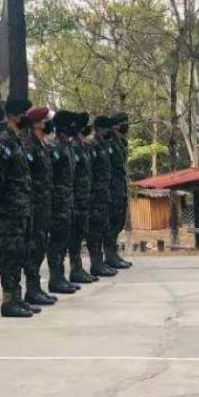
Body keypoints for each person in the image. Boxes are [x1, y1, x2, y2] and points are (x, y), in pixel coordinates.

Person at [0, 98, 34, 318]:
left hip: (21, 210)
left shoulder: (17, 141)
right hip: (10, 212)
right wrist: (6, 204)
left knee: (19, 254)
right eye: (24, 113)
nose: (27, 117)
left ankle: (18, 298)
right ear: (14, 115)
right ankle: (8, 301)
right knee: (10, 256)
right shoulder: (3, 142)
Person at [23, 106, 56, 307]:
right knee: (33, 248)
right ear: (36, 123)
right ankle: (31, 290)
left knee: (40, 247)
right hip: (34, 206)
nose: (47, 124)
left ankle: (35, 289)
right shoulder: (30, 146)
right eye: (45, 121)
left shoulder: (41, 145)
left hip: (43, 205)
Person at [47, 110, 78, 294]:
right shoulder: (53, 147)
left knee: (64, 240)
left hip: (67, 201)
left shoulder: (67, 147)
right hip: (57, 203)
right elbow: (49, 177)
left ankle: (61, 277)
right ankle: (55, 279)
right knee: (56, 242)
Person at [86, 116, 117, 278]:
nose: (107, 132)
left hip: (104, 194)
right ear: (98, 128)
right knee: (95, 231)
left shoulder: (104, 145)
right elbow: (89, 172)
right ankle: (96, 264)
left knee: (102, 228)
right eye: (104, 128)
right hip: (95, 195)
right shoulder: (92, 145)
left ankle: (101, 262)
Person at [67, 113, 96, 284]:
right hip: (75, 199)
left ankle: (78, 269)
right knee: (74, 234)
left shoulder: (82, 147)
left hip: (84, 198)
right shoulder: (73, 148)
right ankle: (74, 269)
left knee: (79, 234)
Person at [106, 112, 132, 269]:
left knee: (118, 221)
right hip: (111, 189)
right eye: (124, 123)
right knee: (112, 222)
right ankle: (109, 255)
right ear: (116, 125)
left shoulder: (120, 142)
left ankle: (113, 254)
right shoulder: (110, 143)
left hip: (119, 187)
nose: (126, 126)